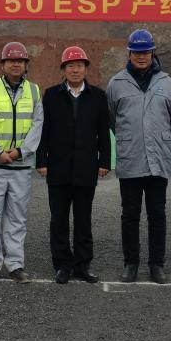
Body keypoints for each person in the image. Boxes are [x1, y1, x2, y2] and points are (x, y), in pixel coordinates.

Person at [107, 28, 171, 284]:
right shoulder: (116, 83)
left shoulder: (166, 83)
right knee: (130, 214)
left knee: (157, 214)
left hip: (158, 158)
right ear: (129, 53)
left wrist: (155, 137)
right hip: (131, 158)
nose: (141, 56)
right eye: (136, 52)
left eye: (145, 52)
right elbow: (112, 119)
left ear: (152, 53)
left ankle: (157, 264)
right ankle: (131, 263)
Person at [37, 45, 111, 284]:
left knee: (83, 219)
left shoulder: (98, 96)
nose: (75, 70)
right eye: (71, 66)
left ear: (86, 69)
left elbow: (103, 131)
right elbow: (43, 130)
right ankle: (62, 265)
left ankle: (82, 264)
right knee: (58, 219)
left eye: (79, 65)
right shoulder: (51, 95)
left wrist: (104, 161)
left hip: (86, 167)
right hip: (58, 167)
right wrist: (41, 160)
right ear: (64, 69)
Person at [0, 42, 43, 284]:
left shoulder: (34, 91)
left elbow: (38, 124)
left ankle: (15, 264)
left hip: (20, 166)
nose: (16, 64)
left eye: (20, 60)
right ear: (3, 64)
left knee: (17, 217)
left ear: (25, 65)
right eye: (11, 60)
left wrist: (21, 152)